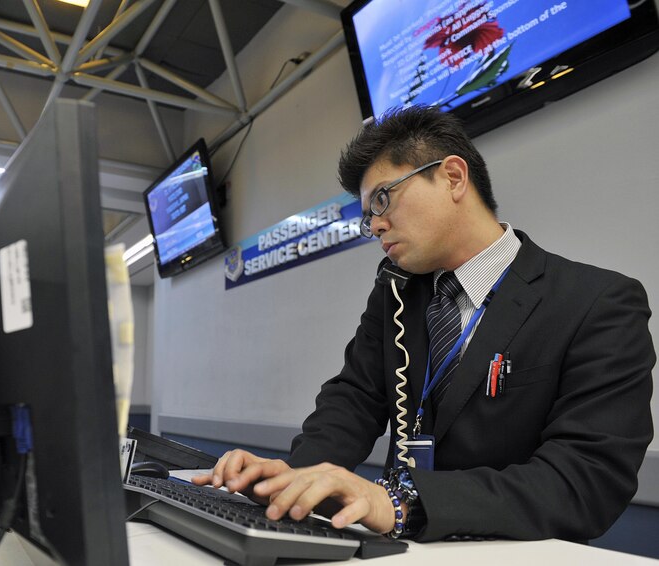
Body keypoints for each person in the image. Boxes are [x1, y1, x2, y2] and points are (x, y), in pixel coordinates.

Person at [193, 105, 655, 542]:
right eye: (366, 215)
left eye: (382, 199)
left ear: (452, 177)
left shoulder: (597, 303)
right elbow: (354, 399)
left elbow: (587, 479)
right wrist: (293, 479)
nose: (374, 225)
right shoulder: (397, 293)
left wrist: (401, 505)